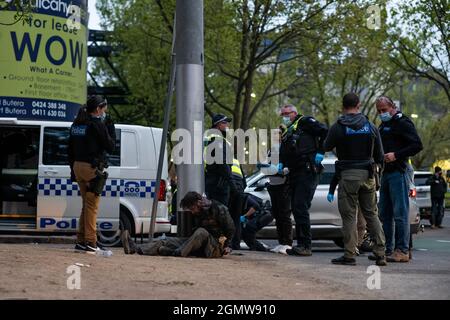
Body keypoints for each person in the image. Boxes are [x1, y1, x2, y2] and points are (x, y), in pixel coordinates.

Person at [324, 93, 387, 266]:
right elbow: (380, 155)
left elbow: (326, 146)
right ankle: (381, 253)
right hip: (368, 175)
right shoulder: (371, 126)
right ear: (358, 105)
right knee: (372, 215)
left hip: (348, 175)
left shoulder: (338, 126)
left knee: (350, 217)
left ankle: (350, 254)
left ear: (343, 106)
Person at [376, 96, 423, 263]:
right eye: (379, 111)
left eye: (384, 110)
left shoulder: (402, 122)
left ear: (392, 106)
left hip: (399, 171)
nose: (382, 113)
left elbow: (417, 145)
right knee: (385, 213)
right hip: (386, 173)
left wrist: (396, 155)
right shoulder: (384, 126)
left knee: (400, 213)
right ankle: (388, 249)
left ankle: (402, 250)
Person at [278, 104, 328, 256]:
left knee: (300, 206)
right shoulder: (288, 130)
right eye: (283, 114)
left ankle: (305, 245)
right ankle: (301, 244)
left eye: (287, 113)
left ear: (294, 112)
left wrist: (321, 151)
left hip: (307, 170)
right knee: (297, 208)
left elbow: (325, 131)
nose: (285, 117)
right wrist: (282, 162)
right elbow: (286, 150)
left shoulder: (305, 122)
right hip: (295, 172)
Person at [68, 95, 116, 254]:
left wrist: (72, 171)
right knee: (92, 207)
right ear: (98, 109)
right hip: (91, 169)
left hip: (77, 167)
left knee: (86, 205)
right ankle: (91, 242)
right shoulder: (96, 124)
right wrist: (110, 127)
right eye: (104, 108)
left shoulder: (76, 125)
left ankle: (81, 241)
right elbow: (110, 146)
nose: (105, 111)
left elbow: (70, 150)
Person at [122, 192, 235, 258]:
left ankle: (176, 252)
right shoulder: (197, 213)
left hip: (214, 248)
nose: (192, 212)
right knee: (166, 241)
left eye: (192, 208)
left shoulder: (219, 209)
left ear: (199, 203)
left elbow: (231, 229)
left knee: (201, 232)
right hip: (195, 244)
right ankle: (135, 248)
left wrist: (227, 246)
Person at [204, 113, 233, 206]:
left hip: (211, 180)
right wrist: (231, 182)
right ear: (218, 124)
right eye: (225, 123)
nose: (227, 125)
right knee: (221, 213)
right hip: (219, 183)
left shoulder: (209, 139)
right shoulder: (218, 140)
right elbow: (223, 163)